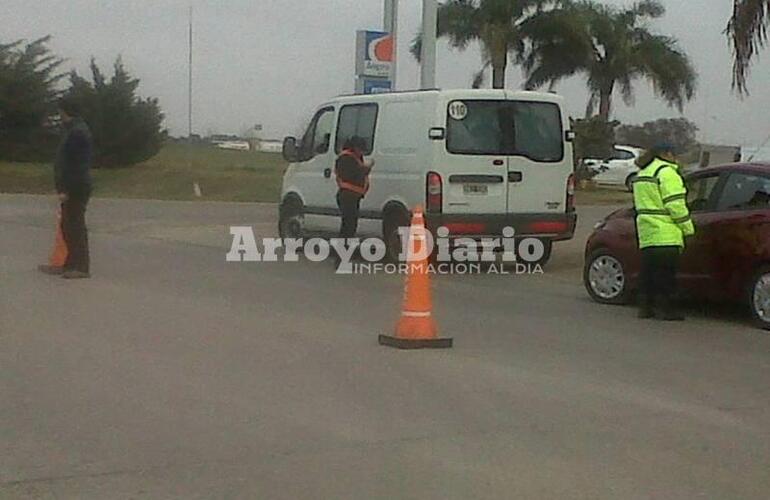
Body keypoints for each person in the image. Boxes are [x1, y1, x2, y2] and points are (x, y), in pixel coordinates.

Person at [632, 143, 695, 320]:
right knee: (666, 274)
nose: (678, 158)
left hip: (646, 231)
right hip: (666, 232)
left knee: (648, 272)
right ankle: (667, 309)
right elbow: (675, 205)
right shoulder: (667, 173)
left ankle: (645, 307)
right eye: (675, 154)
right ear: (667, 154)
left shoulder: (643, 173)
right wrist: (688, 228)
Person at [39, 98, 93, 279]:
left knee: (75, 225)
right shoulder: (72, 129)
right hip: (73, 183)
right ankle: (68, 263)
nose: (59, 115)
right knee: (67, 225)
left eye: (60, 111)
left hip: (76, 185)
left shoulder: (78, 133)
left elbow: (75, 165)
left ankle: (81, 266)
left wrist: (65, 189)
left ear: (65, 111)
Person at [335, 137, 374, 240]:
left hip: (353, 196)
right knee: (348, 225)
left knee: (351, 225)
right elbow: (352, 175)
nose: (362, 152)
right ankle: (342, 249)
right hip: (347, 196)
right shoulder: (345, 158)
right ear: (355, 147)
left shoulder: (355, 157)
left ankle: (345, 248)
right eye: (361, 149)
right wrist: (366, 168)